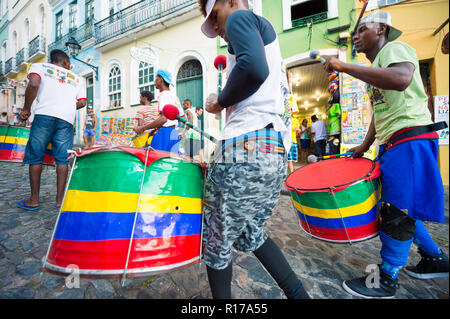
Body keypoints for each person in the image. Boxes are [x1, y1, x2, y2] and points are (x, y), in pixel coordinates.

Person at [321, 11, 448, 298]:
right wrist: (364, 146)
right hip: (392, 143)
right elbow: (380, 114)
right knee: (396, 206)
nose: (355, 36)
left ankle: (386, 278)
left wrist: (344, 66)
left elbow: (402, 79)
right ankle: (435, 257)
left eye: (362, 29)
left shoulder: (395, 49)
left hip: (409, 140)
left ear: (381, 30)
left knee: (396, 212)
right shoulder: (378, 65)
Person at [199, 0, 310, 299]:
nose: (218, 28)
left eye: (215, 17)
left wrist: (219, 101)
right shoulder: (264, 34)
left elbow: (254, 68)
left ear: (231, 2)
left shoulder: (240, 18)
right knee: (251, 233)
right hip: (272, 151)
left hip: (246, 148)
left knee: (216, 237)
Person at [17, 49, 86, 210]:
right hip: (66, 120)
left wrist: (26, 109)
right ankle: (60, 201)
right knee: (62, 159)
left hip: (44, 116)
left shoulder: (39, 66)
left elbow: (33, 84)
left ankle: (34, 200)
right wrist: (67, 107)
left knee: (36, 157)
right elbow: (82, 102)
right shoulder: (75, 78)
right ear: (66, 62)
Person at [133, 69, 184, 153]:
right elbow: (181, 117)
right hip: (173, 133)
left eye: (156, 78)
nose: (154, 81)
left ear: (161, 79)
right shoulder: (174, 96)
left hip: (164, 133)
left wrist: (142, 128)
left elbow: (163, 119)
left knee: (155, 160)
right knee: (171, 161)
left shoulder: (163, 95)